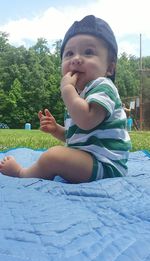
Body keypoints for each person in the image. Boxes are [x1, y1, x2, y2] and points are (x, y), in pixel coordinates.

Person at [0, 15, 131, 183]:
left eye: (88, 52)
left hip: (107, 165)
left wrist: (67, 89)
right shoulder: (79, 95)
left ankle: (21, 173)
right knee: (59, 154)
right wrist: (57, 130)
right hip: (91, 160)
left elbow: (86, 120)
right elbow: (77, 137)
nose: (76, 59)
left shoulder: (103, 86)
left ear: (110, 68)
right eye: (69, 53)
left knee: (54, 156)